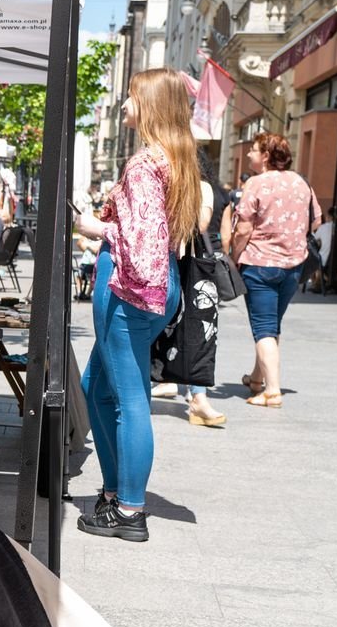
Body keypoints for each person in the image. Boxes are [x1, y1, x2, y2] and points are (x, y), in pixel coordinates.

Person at [72, 68, 195, 542]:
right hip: (157, 289)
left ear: (151, 105)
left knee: (128, 398)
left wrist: (94, 228)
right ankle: (114, 492)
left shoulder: (146, 163)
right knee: (97, 386)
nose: (124, 105)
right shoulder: (178, 158)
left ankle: (128, 509)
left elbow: (142, 242)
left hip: (130, 288)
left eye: (130, 97)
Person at [229, 131, 319, 408]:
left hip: (259, 264)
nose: (248, 154)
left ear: (266, 155)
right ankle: (257, 379)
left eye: (254, 150)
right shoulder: (302, 183)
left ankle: (272, 390)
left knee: (264, 327)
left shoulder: (256, 183)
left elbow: (243, 228)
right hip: (293, 266)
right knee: (271, 324)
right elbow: (315, 222)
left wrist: (234, 256)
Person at [155, 169, 229, 426]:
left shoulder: (202, 188)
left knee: (195, 331)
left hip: (186, 269)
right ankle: (148, 391)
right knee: (150, 332)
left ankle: (198, 398)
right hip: (152, 268)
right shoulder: (156, 179)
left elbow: (201, 224)